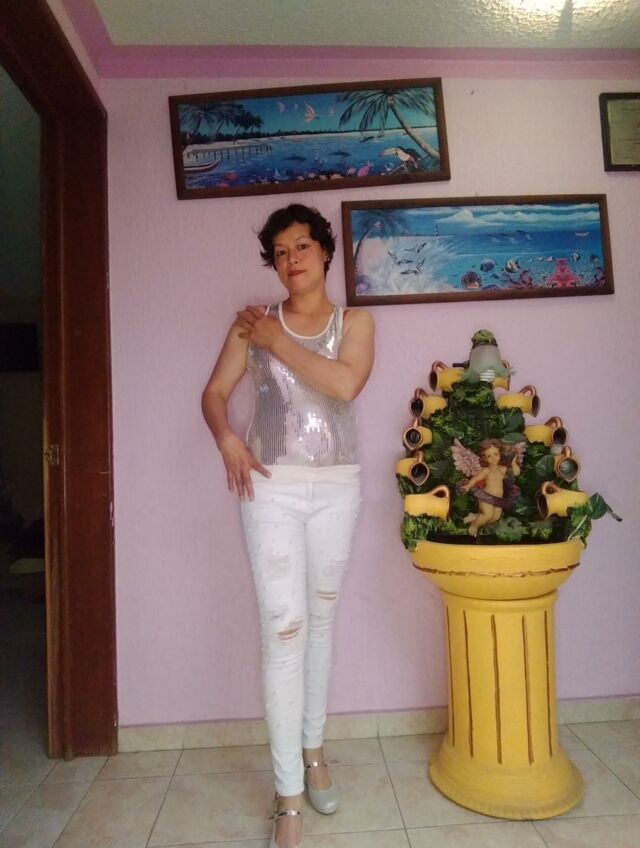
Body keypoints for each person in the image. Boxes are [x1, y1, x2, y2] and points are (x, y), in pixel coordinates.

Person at [202, 204, 375, 848]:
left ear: (325, 252)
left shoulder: (355, 323)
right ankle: (288, 795)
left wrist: (278, 343)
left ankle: (313, 751)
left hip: (337, 487)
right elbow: (214, 393)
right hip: (270, 488)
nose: (291, 259)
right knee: (284, 632)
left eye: (302, 246)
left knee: (322, 621)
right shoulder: (251, 325)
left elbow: (345, 384)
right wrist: (226, 439)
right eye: (279, 251)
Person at [459, 439, 521, 536]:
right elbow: (475, 479)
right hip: (486, 497)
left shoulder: (502, 469)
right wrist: (468, 486)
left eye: (496, 454)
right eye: (489, 456)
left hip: (498, 499)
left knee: (495, 517)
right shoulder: (486, 470)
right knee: (488, 515)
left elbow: (516, 473)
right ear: (484, 458)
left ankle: (475, 517)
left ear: (500, 454)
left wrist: (514, 464)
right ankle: (474, 526)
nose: (493, 458)